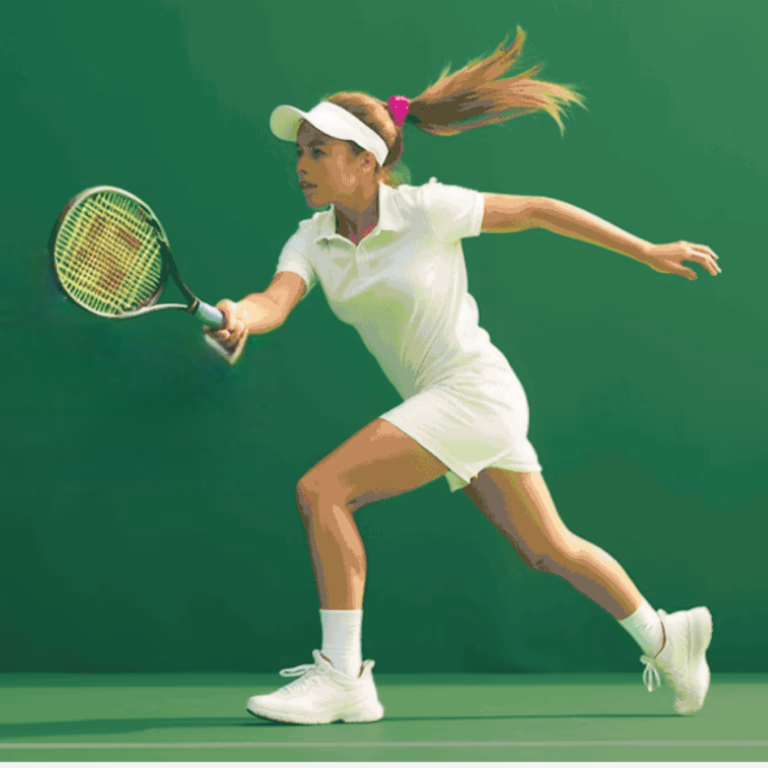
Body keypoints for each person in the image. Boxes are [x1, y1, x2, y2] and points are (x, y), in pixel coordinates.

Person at [205, 26, 718, 725]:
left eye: (318, 150)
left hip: (474, 392)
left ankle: (343, 677)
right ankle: (667, 638)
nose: (301, 163)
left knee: (323, 490)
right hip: (449, 404)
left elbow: (537, 211)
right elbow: (276, 300)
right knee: (547, 548)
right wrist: (242, 314)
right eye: (299, 151)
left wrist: (646, 249)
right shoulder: (311, 238)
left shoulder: (426, 209)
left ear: (365, 161)